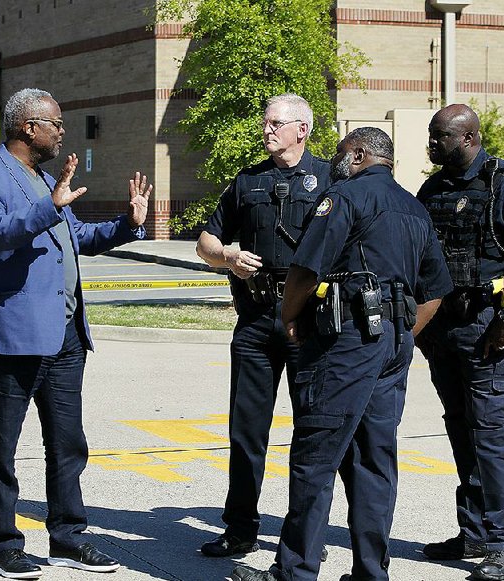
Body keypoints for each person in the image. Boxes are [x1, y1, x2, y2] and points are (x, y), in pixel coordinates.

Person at [231, 127, 453, 581]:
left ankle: (294, 571)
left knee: (316, 454)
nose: (334, 161)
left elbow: (305, 269)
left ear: (357, 154)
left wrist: (291, 317)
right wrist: (403, 332)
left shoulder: (345, 197)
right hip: (392, 341)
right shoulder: (414, 207)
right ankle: (371, 572)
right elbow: (435, 291)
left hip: (347, 340)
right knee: (374, 458)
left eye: (339, 153)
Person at [0, 88, 152, 580]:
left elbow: (79, 238)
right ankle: (4, 544)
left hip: (66, 337)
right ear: (29, 127)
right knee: (3, 444)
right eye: (56, 123)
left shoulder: (47, 179)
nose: (62, 131)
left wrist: (126, 225)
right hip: (16, 334)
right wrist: (48, 206)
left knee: (68, 443)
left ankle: (68, 538)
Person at [415, 104, 504, 581]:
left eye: (440, 138)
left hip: (492, 328)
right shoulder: (432, 189)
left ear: (469, 138)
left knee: (492, 433)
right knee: (460, 427)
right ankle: (474, 531)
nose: (432, 145)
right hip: (446, 330)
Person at [196, 93, 331, 559]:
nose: (267, 130)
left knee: (313, 430)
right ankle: (239, 530)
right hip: (255, 320)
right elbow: (205, 242)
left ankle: (306, 535)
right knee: (246, 430)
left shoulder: (331, 180)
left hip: (308, 322)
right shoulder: (247, 181)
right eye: (265, 122)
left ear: (302, 129)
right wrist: (227, 257)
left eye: (276, 123)